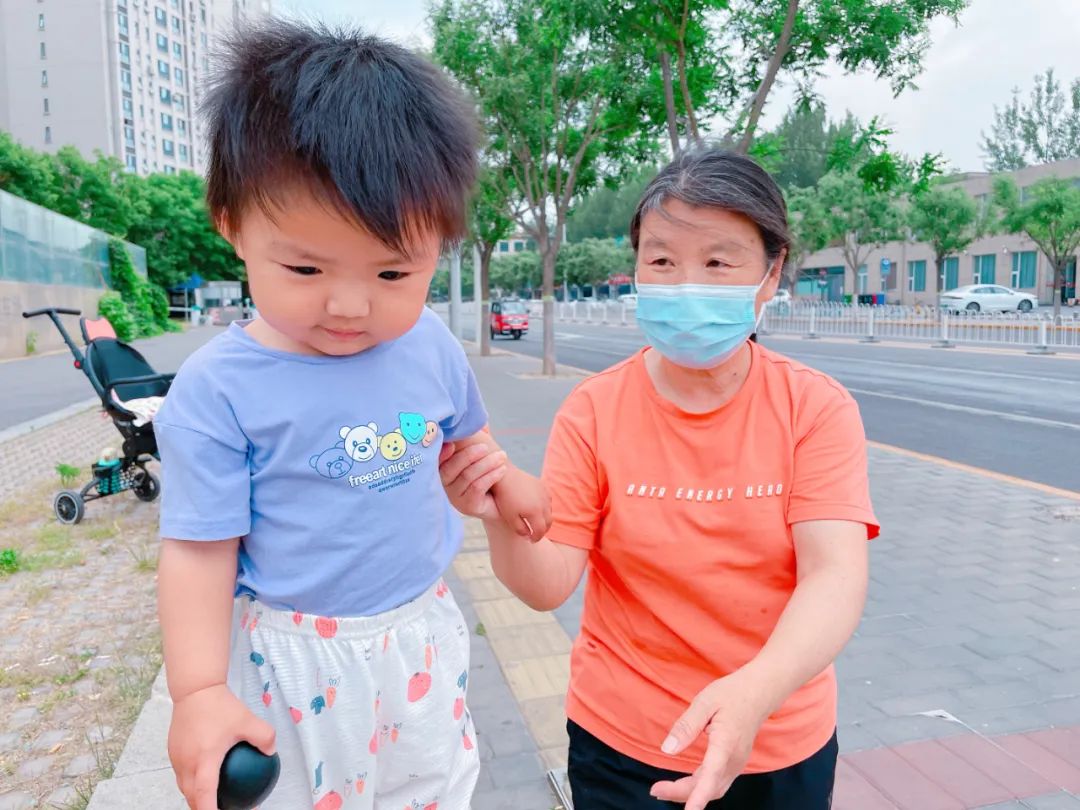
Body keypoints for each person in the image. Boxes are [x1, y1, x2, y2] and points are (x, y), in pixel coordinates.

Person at [154, 21, 547, 810]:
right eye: (305, 267)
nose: (348, 305)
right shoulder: (218, 390)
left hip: (422, 634)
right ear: (232, 223)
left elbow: (464, 440)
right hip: (295, 659)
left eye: (394, 271)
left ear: (442, 244)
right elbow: (199, 553)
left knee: (429, 790)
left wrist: (502, 486)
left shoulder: (429, 345)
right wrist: (197, 693)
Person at [442, 148, 878, 810]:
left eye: (717, 262)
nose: (684, 285)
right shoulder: (594, 408)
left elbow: (834, 574)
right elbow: (547, 582)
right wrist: (498, 510)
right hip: (625, 747)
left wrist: (755, 691)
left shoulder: (814, 408)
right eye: (663, 260)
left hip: (779, 738)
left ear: (771, 272)